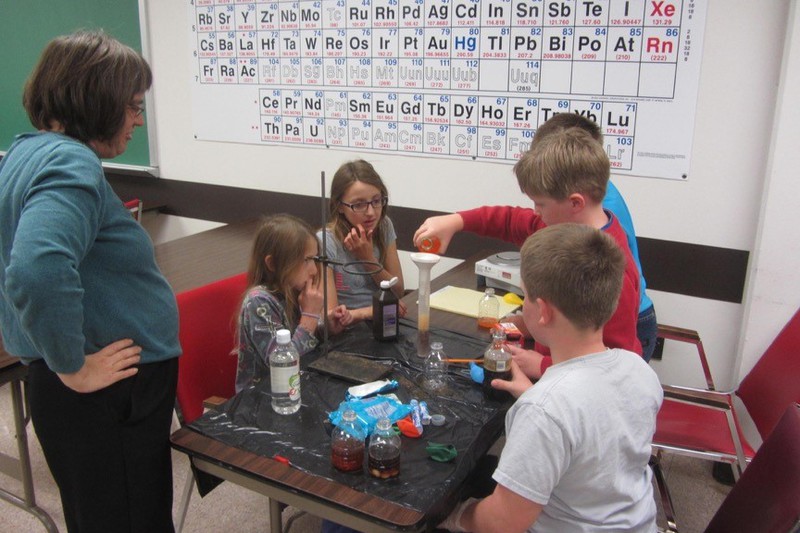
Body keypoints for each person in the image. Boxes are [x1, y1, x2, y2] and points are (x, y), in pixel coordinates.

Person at [0, 31, 179, 532]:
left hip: (92, 394)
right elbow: (36, 268)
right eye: (133, 107)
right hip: (105, 392)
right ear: (96, 100)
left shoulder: (25, 151)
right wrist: (72, 364)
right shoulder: (70, 160)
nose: (139, 120)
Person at [440, 223, 663, 532]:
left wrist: (450, 515)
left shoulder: (546, 411)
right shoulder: (638, 369)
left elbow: (501, 522)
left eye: (524, 297)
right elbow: (594, 424)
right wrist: (534, 395)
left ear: (541, 312)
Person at [414, 128, 642, 379]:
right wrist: (456, 221)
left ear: (575, 203)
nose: (535, 212)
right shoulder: (560, 225)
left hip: (572, 386)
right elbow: (511, 220)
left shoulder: (607, 270)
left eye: (540, 204)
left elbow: (612, 366)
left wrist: (544, 365)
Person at [531, 113, 658, 361]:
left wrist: (543, 365)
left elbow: (603, 370)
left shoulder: (597, 242)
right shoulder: (591, 204)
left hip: (627, 327)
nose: (538, 212)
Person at [235, 214, 352, 393]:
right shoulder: (259, 302)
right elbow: (282, 362)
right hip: (262, 396)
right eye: (306, 261)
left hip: (297, 385)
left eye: (315, 259)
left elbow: (300, 339)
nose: (314, 270)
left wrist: (325, 327)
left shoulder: (293, 290)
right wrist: (310, 316)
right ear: (273, 263)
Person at [318, 159, 405, 323]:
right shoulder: (326, 241)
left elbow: (398, 291)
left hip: (384, 320)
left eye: (376, 201)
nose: (371, 212)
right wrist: (371, 311)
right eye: (359, 205)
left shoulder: (384, 226)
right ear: (340, 206)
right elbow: (332, 317)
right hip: (349, 331)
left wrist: (368, 259)